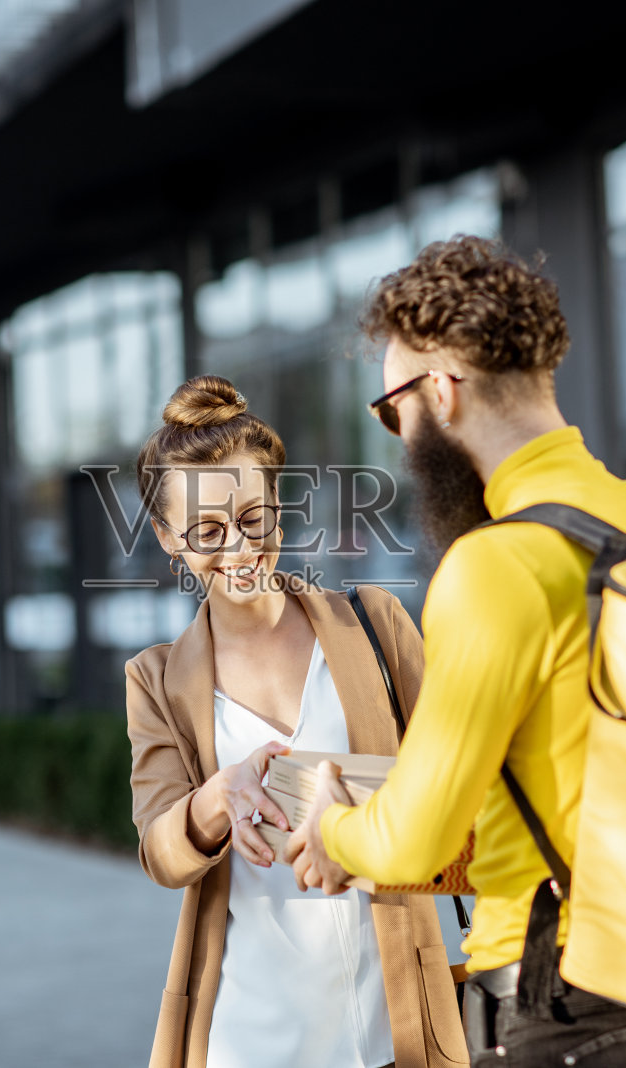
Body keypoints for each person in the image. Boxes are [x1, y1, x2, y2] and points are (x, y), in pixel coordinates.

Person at [285, 236, 626, 1067]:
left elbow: (416, 840)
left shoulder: (495, 566)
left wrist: (332, 828)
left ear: (442, 393)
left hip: (567, 999)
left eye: (393, 411)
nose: (398, 436)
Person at [126, 375, 468, 1068]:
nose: (240, 548)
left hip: (393, 1024)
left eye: (255, 519)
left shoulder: (373, 624)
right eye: (207, 531)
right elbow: (160, 852)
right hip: (251, 1035)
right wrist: (217, 798)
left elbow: (458, 787)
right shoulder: (156, 679)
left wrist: (352, 809)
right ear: (167, 537)